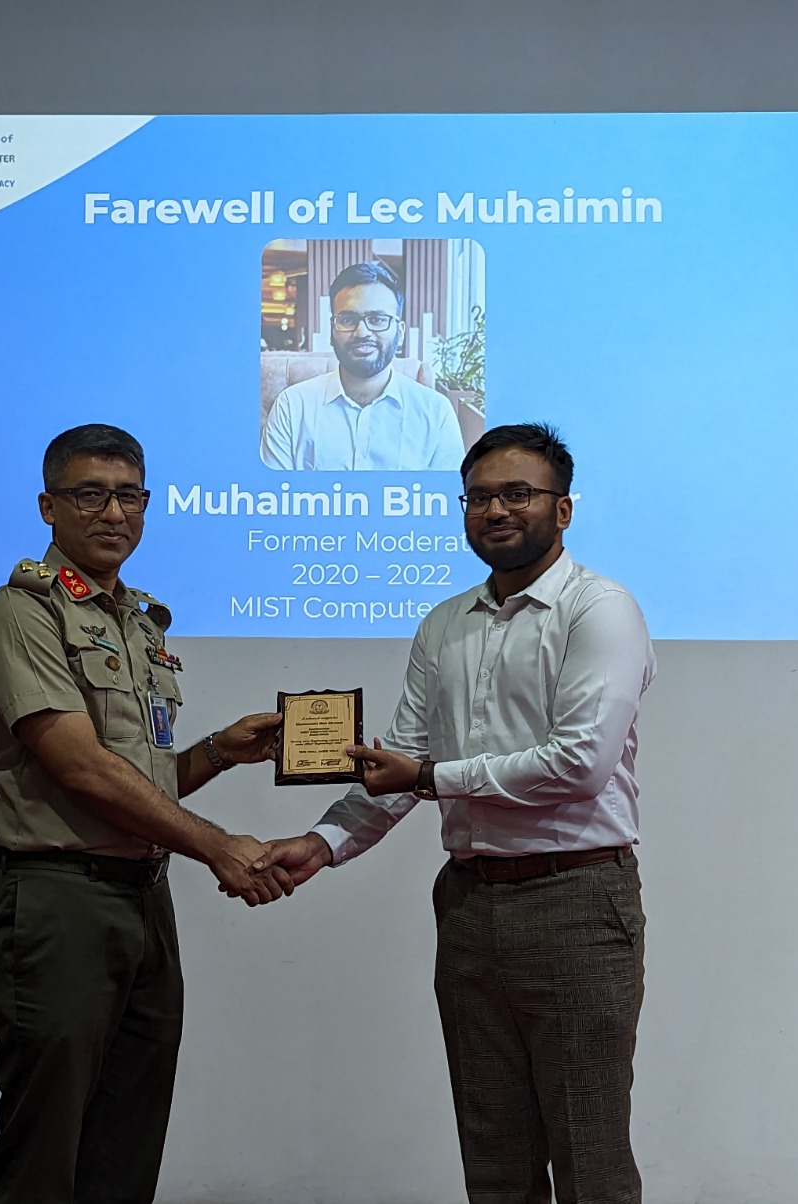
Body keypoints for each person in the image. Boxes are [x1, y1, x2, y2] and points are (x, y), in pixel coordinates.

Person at [260, 423, 656, 1203]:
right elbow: (403, 760)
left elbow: (580, 764)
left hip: (576, 900)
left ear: (563, 509)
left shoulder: (600, 610)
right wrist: (323, 842)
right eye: (478, 497)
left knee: (590, 1155)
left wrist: (430, 776)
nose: (496, 510)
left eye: (518, 494)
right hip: (470, 902)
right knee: (494, 1156)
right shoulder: (444, 623)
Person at [0, 423, 291, 1204]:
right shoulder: (22, 613)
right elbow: (80, 768)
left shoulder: (140, 623)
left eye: (129, 496)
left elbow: (142, 781)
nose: (113, 513)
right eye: (90, 495)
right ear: (48, 506)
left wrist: (219, 750)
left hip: (144, 902)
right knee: (44, 1160)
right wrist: (219, 847)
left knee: (124, 1153)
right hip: (60, 903)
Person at [260, 260, 466, 472]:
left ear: (400, 332)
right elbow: (273, 491)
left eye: (377, 319)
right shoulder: (293, 406)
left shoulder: (436, 412)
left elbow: (447, 492)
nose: (362, 333)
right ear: (331, 331)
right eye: (348, 320)